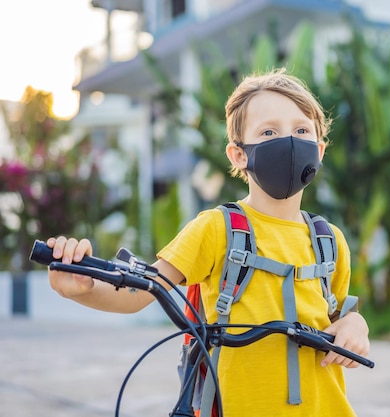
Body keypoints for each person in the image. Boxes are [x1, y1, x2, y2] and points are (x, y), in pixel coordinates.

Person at [47, 68, 370, 416]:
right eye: (269, 131)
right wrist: (79, 288)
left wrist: (356, 325)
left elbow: (339, 316)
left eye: (301, 130)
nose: (289, 141)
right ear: (238, 155)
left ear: (318, 150)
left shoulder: (329, 240)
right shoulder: (217, 229)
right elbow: (142, 291)